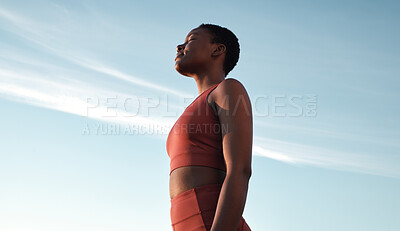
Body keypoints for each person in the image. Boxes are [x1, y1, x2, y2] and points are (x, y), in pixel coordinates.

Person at [167, 23, 252, 231]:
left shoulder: (228, 89)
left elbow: (240, 170)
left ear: (217, 49)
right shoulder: (193, 107)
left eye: (191, 39)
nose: (180, 46)